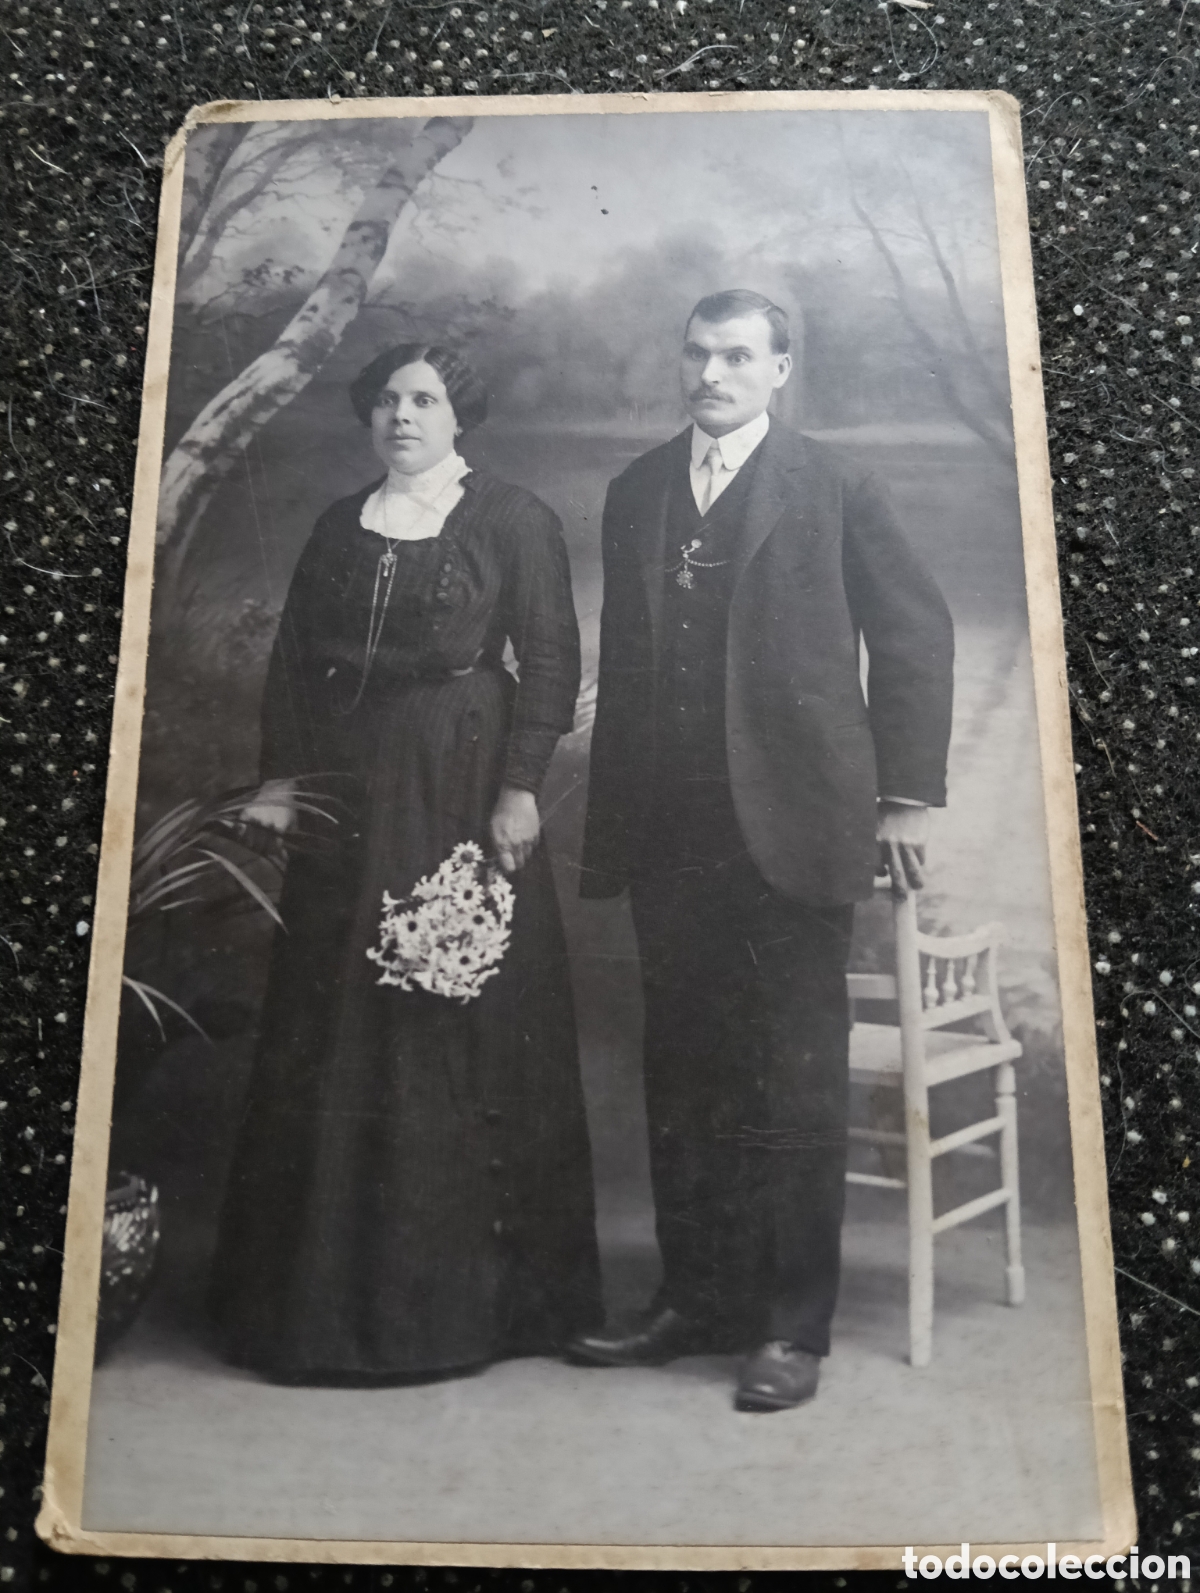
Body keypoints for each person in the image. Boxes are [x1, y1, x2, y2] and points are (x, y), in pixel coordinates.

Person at [570, 290, 954, 1412]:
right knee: (683, 1072)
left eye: (737, 356)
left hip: (797, 829)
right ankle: (698, 1299)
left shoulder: (834, 485)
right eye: (695, 353)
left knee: (790, 1081)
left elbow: (916, 634)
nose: (711, 374)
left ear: (782, 369)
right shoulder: (638, 489)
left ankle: (792, 1327)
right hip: (669, 830)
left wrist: (907, 800)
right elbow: (635, 670)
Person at [209, 343, 602, 1381]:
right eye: (385, 400)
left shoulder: (512, 519)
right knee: (334, 1010)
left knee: (443, 1000)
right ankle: (320, 1304)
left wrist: (519, 787)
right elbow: (294, 658)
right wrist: (281, 781)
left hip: (458, 778)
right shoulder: (343, 524)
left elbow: (551, 659)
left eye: (424, 399)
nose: (403, 416)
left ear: (459, 411)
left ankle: (459, 1309)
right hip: (344, 789)